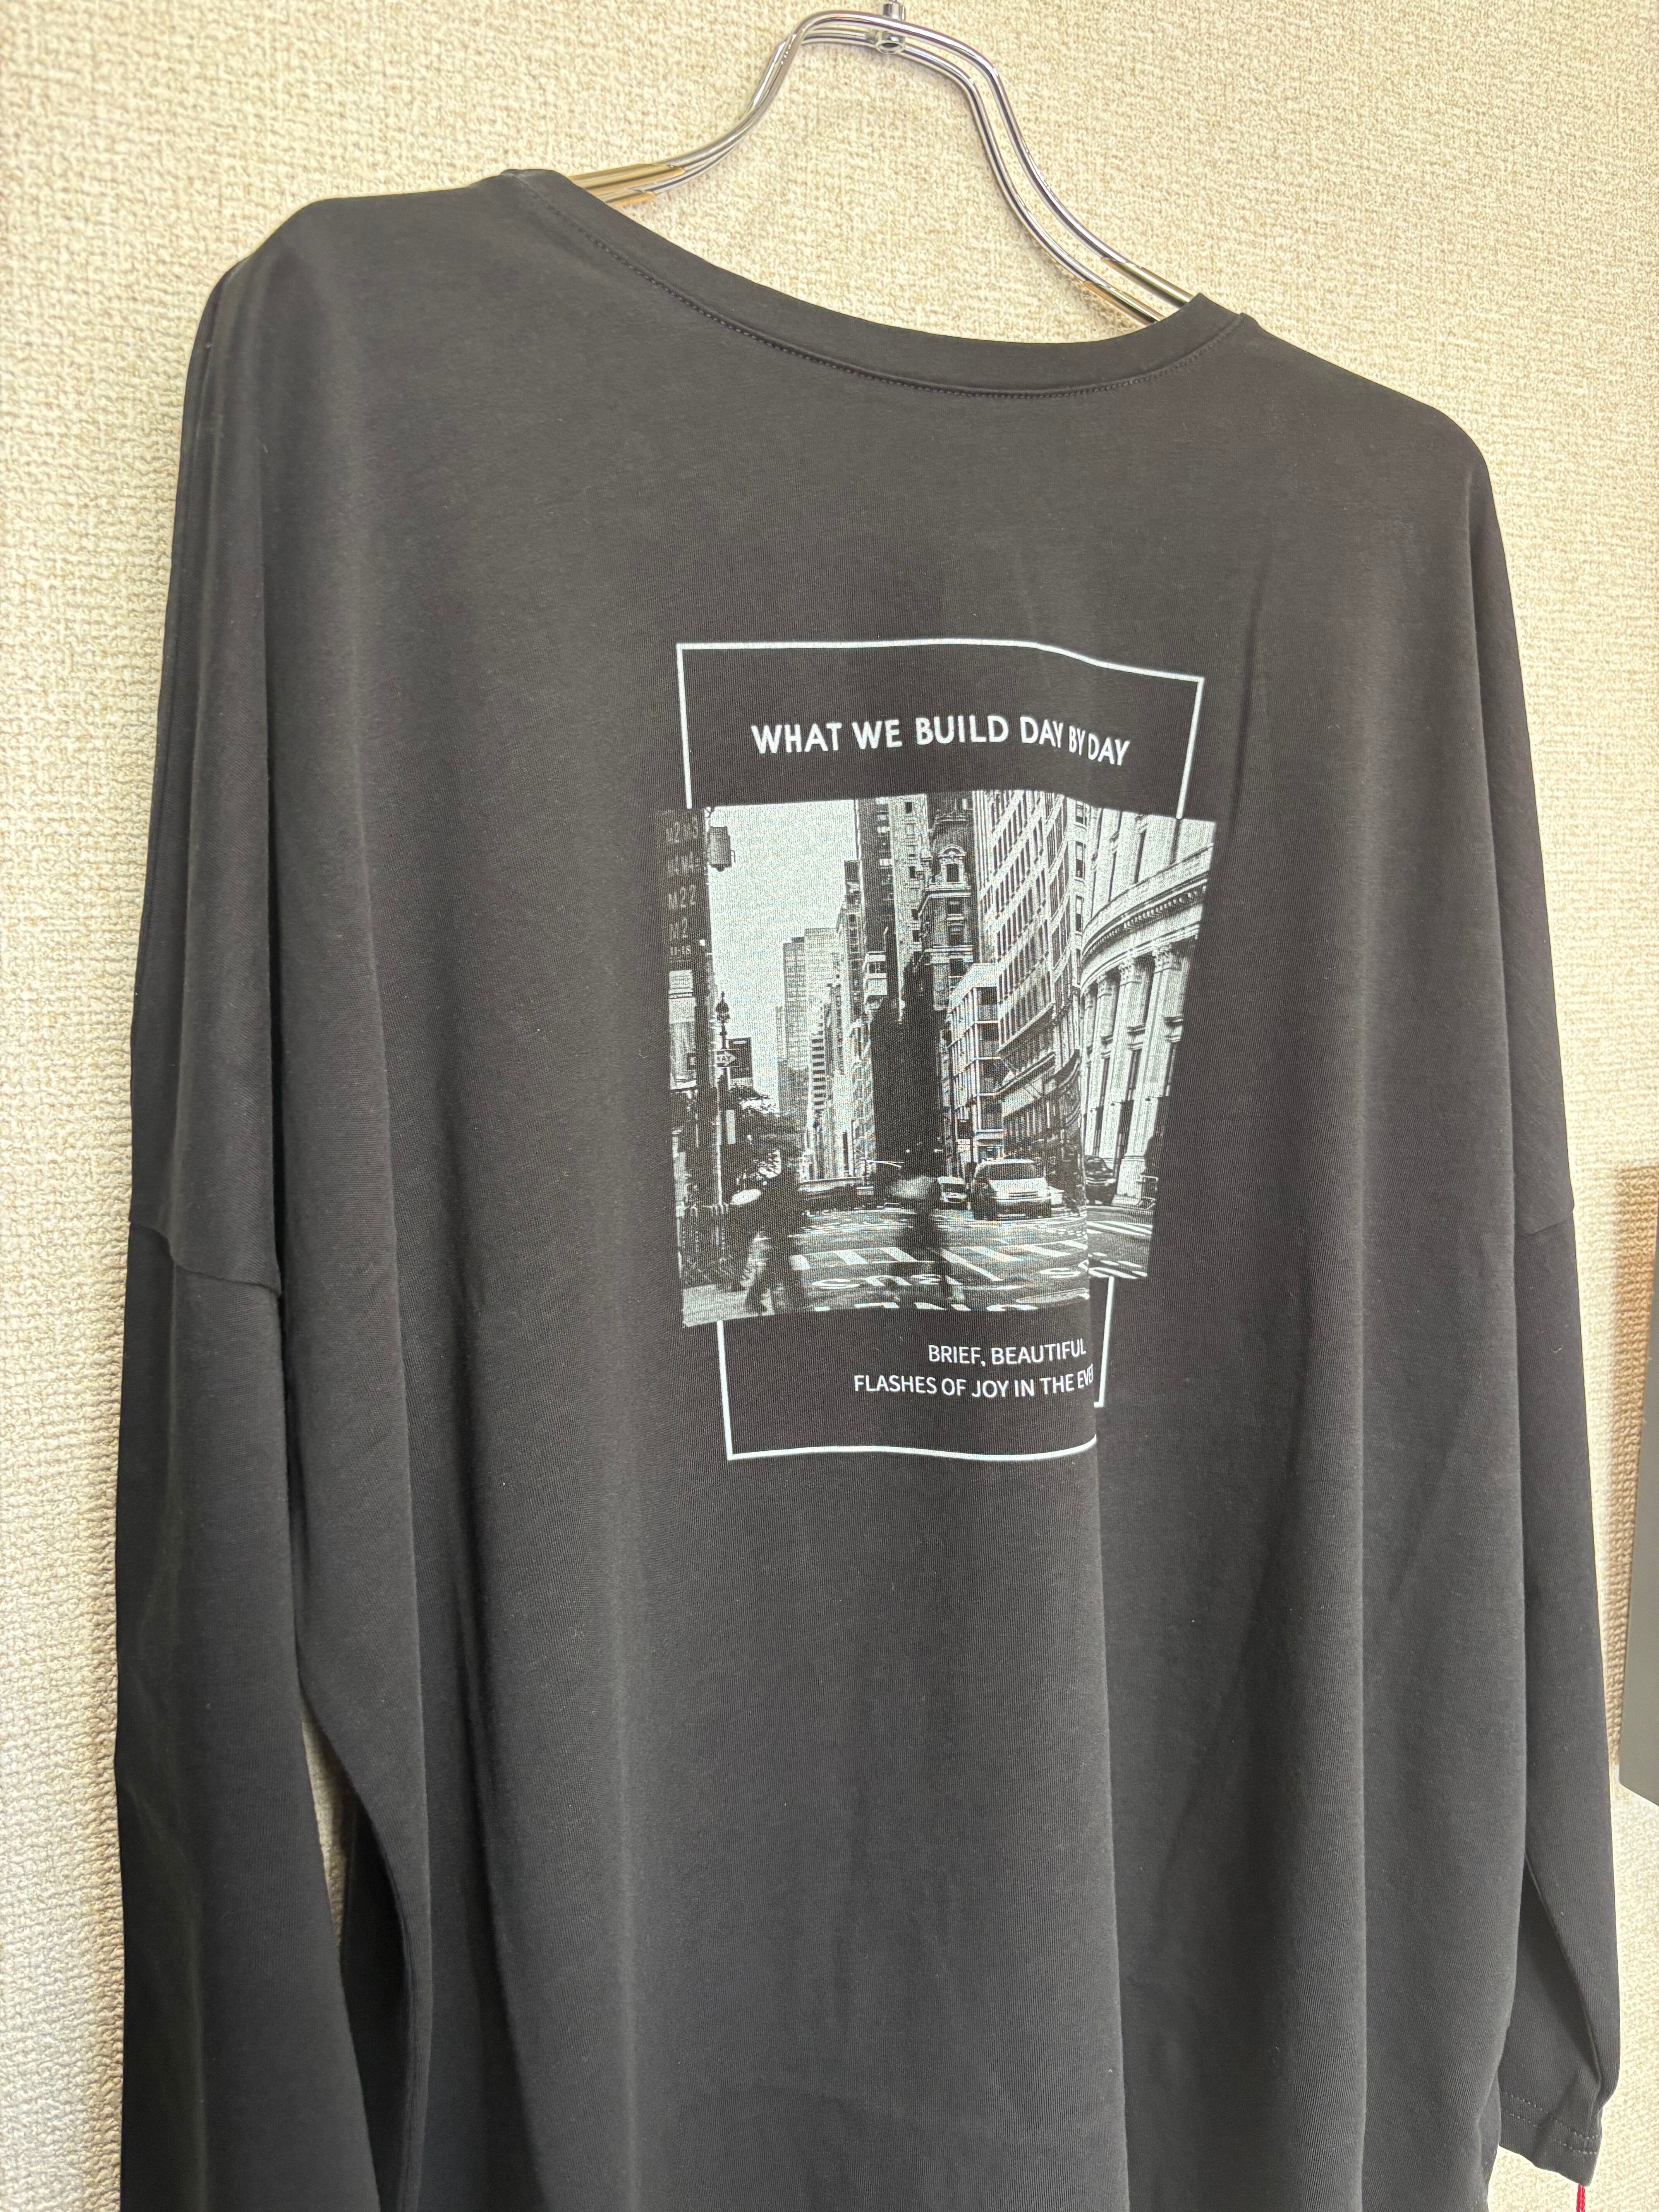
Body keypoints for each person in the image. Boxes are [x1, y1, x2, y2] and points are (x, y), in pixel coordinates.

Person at [743, 1153, 809, 1314]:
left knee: (781, 1269)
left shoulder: (781, 1187)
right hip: (780, 1234)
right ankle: (796, 1300)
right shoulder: (782, 1188)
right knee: (779, 1269)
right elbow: (782, 1211)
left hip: (780, 1234)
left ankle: (796, 1300)